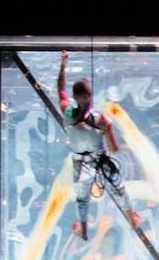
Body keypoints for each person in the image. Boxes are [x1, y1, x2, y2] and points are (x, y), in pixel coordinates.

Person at [58, 51, 143, 240]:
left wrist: (63, 64)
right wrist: (110, 134)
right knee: (117, 188)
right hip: (97, 159)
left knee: (84, 197)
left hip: (83, 160)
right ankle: (131, 218)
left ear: (75, 96)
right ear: (90, 96)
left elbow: (60, 89)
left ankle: (85, 227)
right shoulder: (101, 119)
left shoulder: (68, 111)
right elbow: (114, 149)